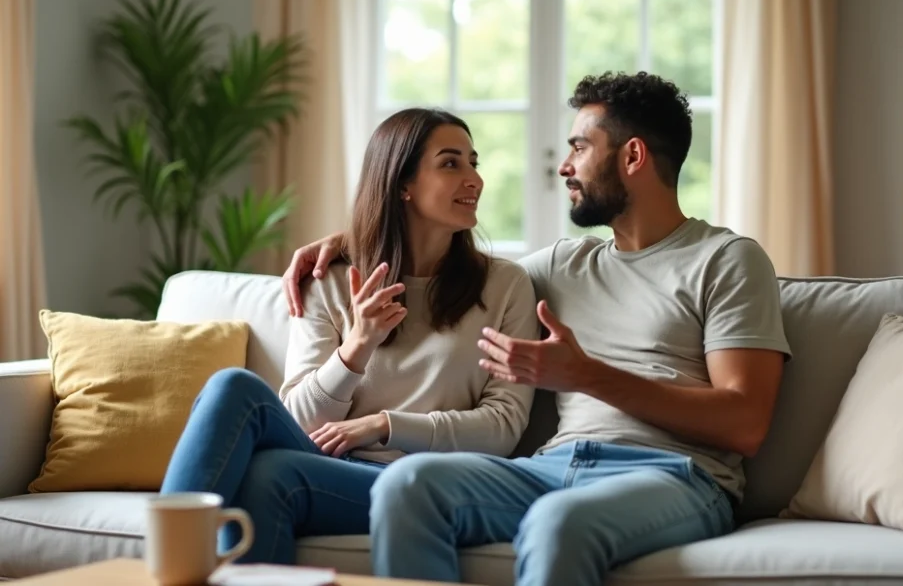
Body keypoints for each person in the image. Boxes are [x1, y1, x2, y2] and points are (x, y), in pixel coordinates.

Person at [282, 71, 792, 586]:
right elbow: (440, 255)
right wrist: (355, 236)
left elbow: (744, 423)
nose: (565, 167)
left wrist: (588, 376)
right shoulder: (561, 266)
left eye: (579, 148)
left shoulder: (727, 260)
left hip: (675, 477)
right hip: (554, 467)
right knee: (408, 484)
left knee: (558, 522)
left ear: (632, 157)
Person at [160, 107, 539, 565]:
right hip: (331, 466)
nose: (474, 178)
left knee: (267, 475)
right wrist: (355, 349)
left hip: (423, 481)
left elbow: (502, 428)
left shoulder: (504, 286)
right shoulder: (331, 280)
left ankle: (162, 566)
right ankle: (163, 563)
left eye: (473, 162)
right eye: (450, 163)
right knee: (231, 387)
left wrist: (386, 424)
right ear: (403, 183)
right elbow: (299, 422)